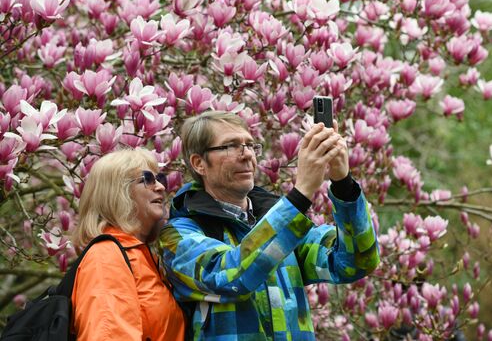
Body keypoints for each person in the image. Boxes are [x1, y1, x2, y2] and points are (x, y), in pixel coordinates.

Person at [160, 111, 380, 340]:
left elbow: (356, 262)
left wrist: (342, 182)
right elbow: (231, 278)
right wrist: (301, 193)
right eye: (230, 146)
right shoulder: (178, 235)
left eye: (250, 145)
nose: (246, 155)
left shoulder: (284, 227)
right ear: (199, 163)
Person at [71, 148, 185, 340]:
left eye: (159, 179)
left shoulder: (143, 256)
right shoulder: (106, 256)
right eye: (147, 179)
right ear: (117, 193)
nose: (160, 187)